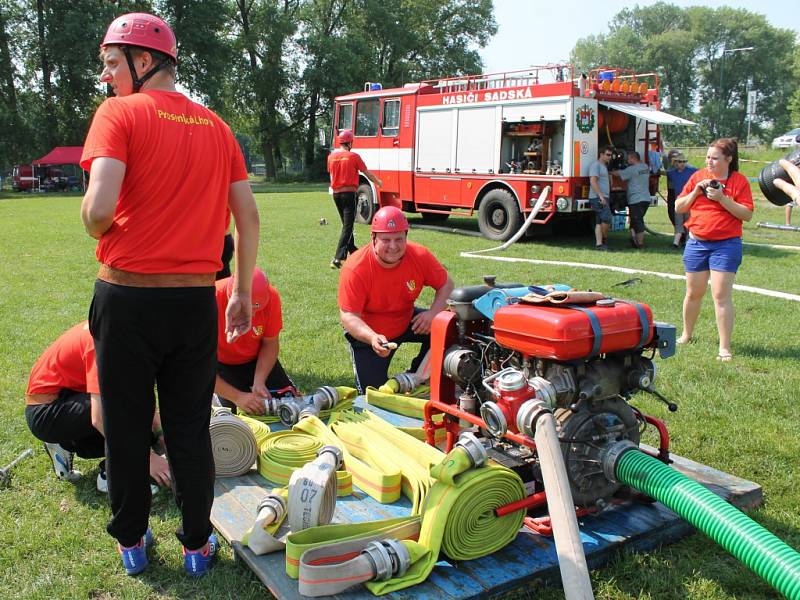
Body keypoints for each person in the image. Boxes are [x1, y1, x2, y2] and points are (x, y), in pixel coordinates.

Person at [80, 12, 260, 577]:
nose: (108, 77)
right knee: (188, 428)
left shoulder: (117, 114)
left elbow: (99, 211)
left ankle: (132, 543)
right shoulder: (218, 126)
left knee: (129, 426)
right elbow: (248, 218)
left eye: (113, 63)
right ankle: (196, 546)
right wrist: (243, 294)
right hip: (193, 304)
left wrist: (89, 214)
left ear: (143, 61)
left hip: (127, 301)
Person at [25, 322, 170, 493]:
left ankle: (64, 444)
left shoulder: (129, 331)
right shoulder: (109, 341)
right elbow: (100, 416)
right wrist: (145, 458)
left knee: (139, 422)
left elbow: (141, 393)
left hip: (67, 399)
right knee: (122, 409)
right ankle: (111, 476)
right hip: (46, 412)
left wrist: (159, 433)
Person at [338, 206, 454, 392]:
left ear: (406, 237)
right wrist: (372, 337)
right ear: (373, 238)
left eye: (399, 239)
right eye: (386, 239)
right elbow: (348, 316)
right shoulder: (356, 268)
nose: (393, 246)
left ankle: (417, 375)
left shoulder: (419, 255)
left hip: (406, 319)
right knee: (373, 395)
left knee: (448, 326)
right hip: (370, 335)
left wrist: (433, 314)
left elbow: (446, 284)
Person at [675, 138, 753, 362]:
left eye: (714, 158)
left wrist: (721, 198)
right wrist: (695, 193)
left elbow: (746, 214)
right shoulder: (697, 177)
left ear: (728, 159)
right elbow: (679, 207)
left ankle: (724, 347)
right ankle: (686, 335)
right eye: (707, 157)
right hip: (697, 243)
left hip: (726, 245)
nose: (709, 162)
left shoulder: (739, 181)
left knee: (721, 295)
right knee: (693, 292)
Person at [214, 267, 297, 415]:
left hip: (255, 360)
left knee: (289, 404)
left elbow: (270, 343)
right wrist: (238, 397)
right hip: (219, 364)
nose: (251, 314)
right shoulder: (211, 298)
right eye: (244, 308)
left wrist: (260, 381)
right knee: (231, 417)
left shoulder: (272, 296)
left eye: (256, 309)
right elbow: (197, 364)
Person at [327, 130, 382, 269]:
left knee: (346, 225)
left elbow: (332, 175)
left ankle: (355, 253)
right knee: (348, 226)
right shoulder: (354, 156)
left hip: (336, 194)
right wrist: (378, 182)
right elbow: (367, 173)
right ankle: (338, 258)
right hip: (349, 194)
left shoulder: (331, 157)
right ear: (350, 142)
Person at [614, 150, 652, 249]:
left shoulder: (632, 169)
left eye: (628, 158)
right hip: (646, 198)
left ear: (633, 158)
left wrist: (609, 170)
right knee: (635, 220)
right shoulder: (645, 167)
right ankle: (633, 241)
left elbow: (619, 174)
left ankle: (640, 244)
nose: (627, 160)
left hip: (636, 199)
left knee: (637, 220)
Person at [666, 154, 698, 247]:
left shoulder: (692, 171)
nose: (683, 164)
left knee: (689, 222)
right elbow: (663, 172)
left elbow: (703, 173)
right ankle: (675, 243)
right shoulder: (672, 173)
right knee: (678, 222)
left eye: (684, 162)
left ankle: (688, 242)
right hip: (679, 201)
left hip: (689, 201)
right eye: (680, 162)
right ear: (675, 163)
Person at [588, 146, 613, 250]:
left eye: (611, 155)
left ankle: (599, 244)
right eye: (608, 155)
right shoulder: (596, 165)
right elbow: (593, 181)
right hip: (598, 197)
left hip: (603, 196)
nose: (610, 157)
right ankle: (604, 238)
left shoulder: (604, 166)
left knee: (599, 221)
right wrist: (600, 196)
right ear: (601, 154)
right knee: (607, 218)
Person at [664, 149, 682, 227]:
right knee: (671, 211)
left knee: (678, 210)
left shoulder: (681, 165)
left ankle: (681, 230)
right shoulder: (668, 163)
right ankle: (678, 229)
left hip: (679, 190)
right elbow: (663, 155)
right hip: (671, 190)